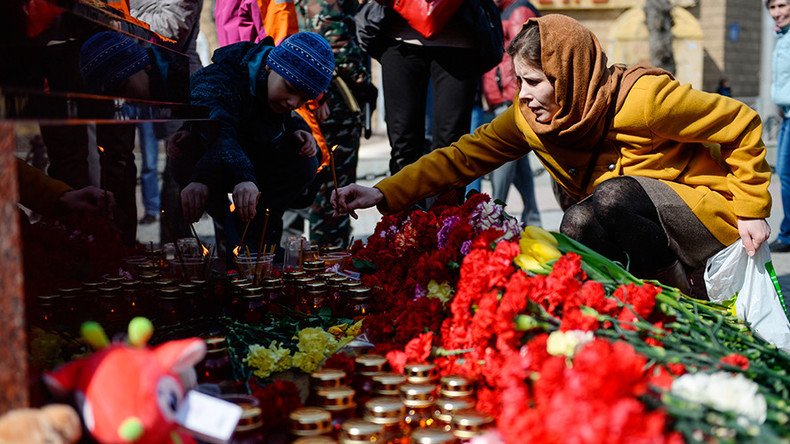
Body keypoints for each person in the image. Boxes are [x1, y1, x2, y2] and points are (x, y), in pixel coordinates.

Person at [333, 15, 772, 296]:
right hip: (627, 220)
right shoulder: (531, 118)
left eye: (534, 81)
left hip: (699, 217)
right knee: (576, 222)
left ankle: (687, 291)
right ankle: (656, 301)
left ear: (569, 75)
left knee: (613, 195)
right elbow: (460, 158)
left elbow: (742, 122)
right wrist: (382, 192)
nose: (522, 95)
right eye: (518, 81)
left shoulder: (645, 100)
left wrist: (752, 209)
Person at [176, 32, 334, 256]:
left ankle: (259, 239)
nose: (293, 102)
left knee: (306, 161)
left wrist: (299, 130)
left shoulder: (272, 87)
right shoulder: (222, 76)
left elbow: (276, 119)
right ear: (271, 66)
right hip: (209, 161)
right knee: (187, 147)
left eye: (303, 99)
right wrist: (239, 177)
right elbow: (218, 127)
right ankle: (228, 245)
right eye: (290, 88)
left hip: (250, 161)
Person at [291, 0, 376, 247]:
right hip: (336, 102)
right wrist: (364, 84)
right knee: (336, 186)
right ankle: (331, 258)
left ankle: (325, 255)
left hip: (320, 100)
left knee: (325, 186)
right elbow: (338, 45)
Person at [482, 0, 541, 226]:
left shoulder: (517, 12)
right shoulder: (503, 11)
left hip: (510, 99)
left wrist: (518, 95)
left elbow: (525, 59)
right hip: (503, 97)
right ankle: (533, 217)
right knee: (520, 165)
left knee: (503, 155)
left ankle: (495, 214)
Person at [766, 0, 790, 252]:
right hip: (787, 116)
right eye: (772, 7)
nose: (776, 12)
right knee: (785, 175)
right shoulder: (782, 37)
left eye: (782, 5)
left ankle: (788, 234)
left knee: (786, 175)